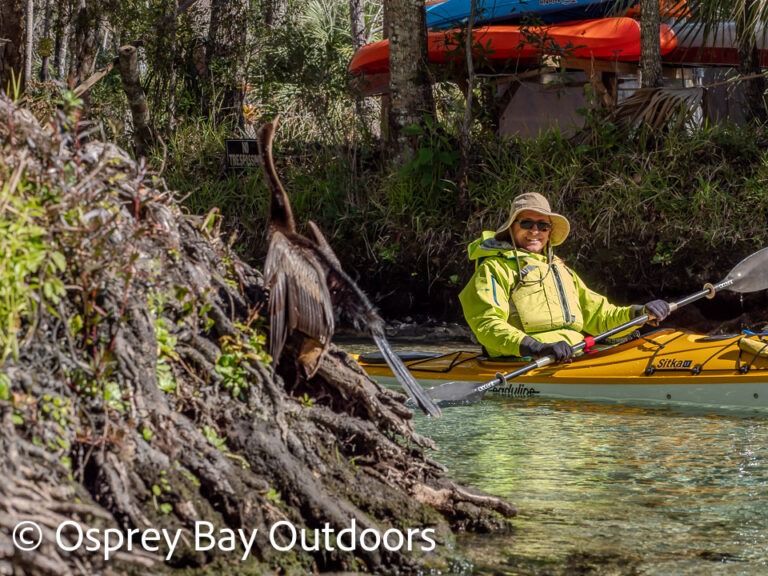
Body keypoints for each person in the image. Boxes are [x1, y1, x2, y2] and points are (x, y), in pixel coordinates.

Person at [458, 192, 670, 361]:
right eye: (526, 223)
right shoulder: (494, 269)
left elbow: (600, 316)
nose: (535, 230)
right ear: (512, 228)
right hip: (525, 360)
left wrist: (640, 312)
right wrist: (537, 347)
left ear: (549, 231)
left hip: (572, 356)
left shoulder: (561, 270)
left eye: (543, 225)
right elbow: (487, 324)